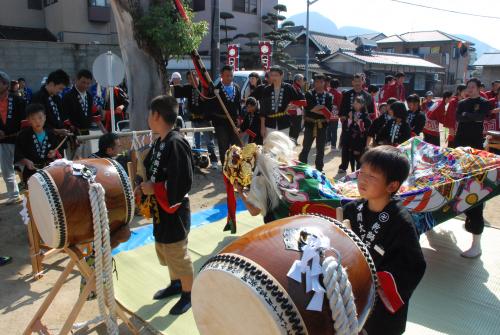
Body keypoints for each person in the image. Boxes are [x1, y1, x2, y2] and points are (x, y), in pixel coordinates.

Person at [342, 145, 426, 335]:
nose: (362, 179)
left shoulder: (401, 222)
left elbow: (413, 266)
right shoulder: (351, 211)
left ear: (392, 186)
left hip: (381, 308)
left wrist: (377, 280)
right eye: (361, 172)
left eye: (372, 176)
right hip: (352, 295)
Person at [137, 95, 194, 315]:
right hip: (162, 207)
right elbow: (150, 170)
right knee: (165, 247)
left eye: (149, 113)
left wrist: (156, 188)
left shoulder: (176, 142)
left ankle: (189, 293)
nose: (148, 118)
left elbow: (181, 181)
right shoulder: (161, 141)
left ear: (156, 115)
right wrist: (141, 185)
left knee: (177, 251)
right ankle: (176, 283)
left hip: (175, 207)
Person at [455, 78, 496, 258]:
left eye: (473, 87)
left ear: (480, 88)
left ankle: (476, 242)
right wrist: (468, 116)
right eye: (468, 87)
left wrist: (468, 116)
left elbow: (480, 116)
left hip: (476, 150)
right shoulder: (462, 102)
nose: (469, 90)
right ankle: (467, 216)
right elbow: (458, 117)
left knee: (475, 185)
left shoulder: (484, 103)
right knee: (459, 183)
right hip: (460, 147)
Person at [174, 70, 218, 169]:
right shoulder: (188, 88)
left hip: (204, 119)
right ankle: (197, 160)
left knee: (209, 142)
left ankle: (214, 160)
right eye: (189, 79)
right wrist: (173, 85)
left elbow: (212, 102)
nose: (191, 80)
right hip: (192, 120)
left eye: (193, 78)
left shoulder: (204, 88)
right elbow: (177, 91)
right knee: (194, 142)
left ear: (198, 77)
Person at [63, 69, 106, 159]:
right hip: (73, 135)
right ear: (76, 80)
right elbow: (65, 119)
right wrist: (73, 135)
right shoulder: (68, 96)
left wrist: (105, 132)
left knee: (86, 160)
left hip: (86, 133)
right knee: (74, 162)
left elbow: (95, 116)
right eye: (83, 82)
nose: (86, 85)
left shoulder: (89, 96)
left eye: (88, 83)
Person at [15, 103, 60, 183]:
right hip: (31, 172)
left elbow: (56, 150)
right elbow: (18, 154)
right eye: (33, 119)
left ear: (45, 117)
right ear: (28, 120)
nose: (37, 121)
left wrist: (53, 153)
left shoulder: (51, 134)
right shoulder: (22, 135)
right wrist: (26, 161)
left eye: (40, 117)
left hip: (48, 171)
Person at [299, 74, 334, 171]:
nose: (318, 84)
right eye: (317, 82)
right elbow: (309, 108)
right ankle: (302, 167)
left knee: (320, 149)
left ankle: (319, 169)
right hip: (310, 124)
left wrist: (317, 109)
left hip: (322, 125)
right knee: (306, 147)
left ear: (324, 83)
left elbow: (329, 111)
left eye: (321, 82)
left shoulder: (329, 96)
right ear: (314, 82)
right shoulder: (309, 94)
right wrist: (322, 109)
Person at [0, 71, 25, 204]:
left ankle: (30, 190)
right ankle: (13, 194)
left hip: (18, 140)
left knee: (23, 167)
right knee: (6, 170)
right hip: (2, 142)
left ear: (5, 84)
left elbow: (25, 121)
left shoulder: (17, 99)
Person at [260, 66, 305, 138]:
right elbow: (262, 110)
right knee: (269, 147)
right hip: (269, 123)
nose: (273, 78)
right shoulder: (266, 90)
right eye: (271, 75)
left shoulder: (289, 88)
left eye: (276, 75)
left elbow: (302, 101)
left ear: (281, 76)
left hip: (285, 123)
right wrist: (262, 127)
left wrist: (291, 105)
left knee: (283, 146)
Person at [209, 65, 241, 165]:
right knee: (223, 145)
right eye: (227, 76)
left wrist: (239, 117)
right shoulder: (216, 89)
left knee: (236, 145)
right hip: (221, 122)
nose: (229, 78)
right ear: (222, 76)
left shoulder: (236, 87)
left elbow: (238, 104)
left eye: (231, 75)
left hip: (234, 121)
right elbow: (211, 107)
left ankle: (236, 165)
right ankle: (225, 167)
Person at [32, 69, 70, 136]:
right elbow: (36, 122)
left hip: (59, 138)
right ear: (52, 84)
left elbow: (62, 117)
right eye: (60, 88)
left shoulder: (57, 98)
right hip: (45, 138)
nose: (61, 91)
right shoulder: (38, 97)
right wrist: (55, 131)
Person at [338, 96, 372, 172]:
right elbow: (346, 127)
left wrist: (358, 122)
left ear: (362, 105)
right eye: (354, 103)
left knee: (359, 157)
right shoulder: (350, 113)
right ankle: (344, 168)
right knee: (347, 154)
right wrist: (349, 119)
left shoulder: (365, 115)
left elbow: (366, 128)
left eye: (358, 103)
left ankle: (359, 171)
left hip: (359, 140)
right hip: (349, 138)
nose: (355, 105)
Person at [288, 74, 305, 145]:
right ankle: (293, 141)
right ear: (298, 81)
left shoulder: (297, 87)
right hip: (294, 110)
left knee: (295, 127)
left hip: (296, 110)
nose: (303, 82)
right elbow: (292, 100)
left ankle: (293, 141)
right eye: (302, 80)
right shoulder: (294, 88)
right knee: (296, 127)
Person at [327, 78, 343, 150]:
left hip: (326, 111)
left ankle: (327, 141)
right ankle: (333, 145)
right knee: (334, 129)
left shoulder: (327, 92)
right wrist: (340, 113)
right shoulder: (338, 93)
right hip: (334, 111)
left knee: (327, 127)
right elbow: (340, 105)